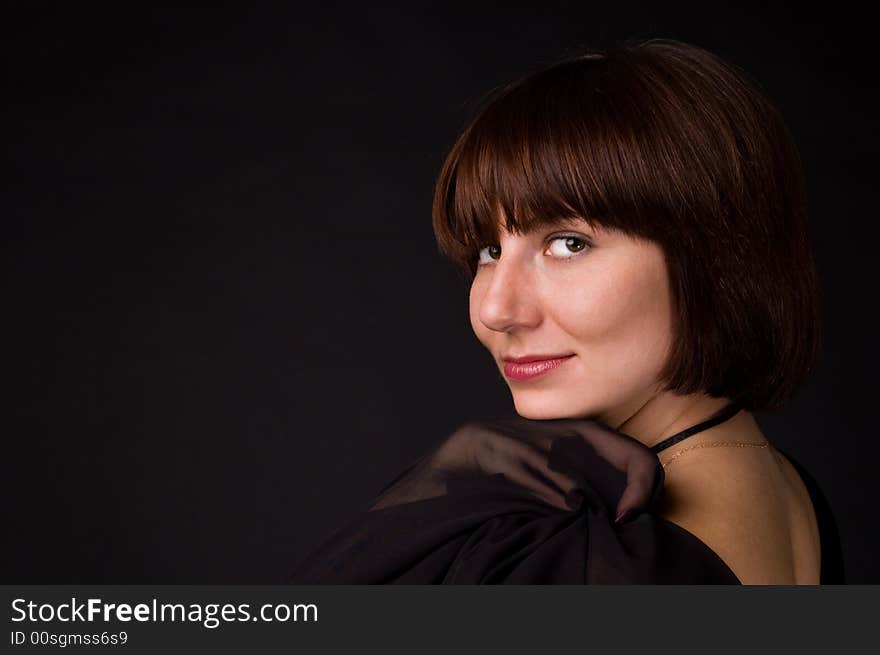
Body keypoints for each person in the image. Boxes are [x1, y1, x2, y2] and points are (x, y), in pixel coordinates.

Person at [289, 37, 845, 585]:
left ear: (716, 255)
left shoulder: (581, 563)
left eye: (568, 243)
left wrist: (438, 499)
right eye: (488, 251)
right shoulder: (790, 493)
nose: (495, 309)